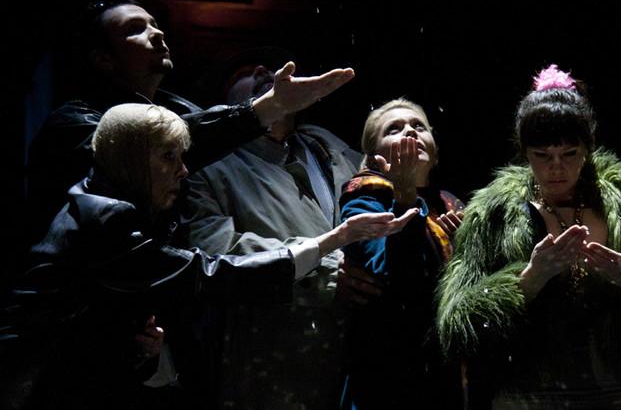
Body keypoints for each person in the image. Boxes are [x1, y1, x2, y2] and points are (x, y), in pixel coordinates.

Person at [1, 103, 417, 410]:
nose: (183, 171)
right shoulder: (105, 217)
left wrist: (138, 350)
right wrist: (329, 243)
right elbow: (209, 273)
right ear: (131, 159)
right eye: (168, 157)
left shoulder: (103, 202)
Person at [436, 65, 621, 409]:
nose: (556, 168)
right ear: (523, 152)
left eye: (569, 154)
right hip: (532, 393)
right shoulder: (494, 212)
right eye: (542, 156)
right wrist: (526, 282)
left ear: (588, 147)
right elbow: (455, 322)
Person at [25, 0, 355, 242]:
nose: (157, 33)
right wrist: (265, 108)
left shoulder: (185, 114)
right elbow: (140, 149)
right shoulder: (74, 122)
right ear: (103, 58)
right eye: (135, 29)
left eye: (154, 24)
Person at [181, 65, 384, 409]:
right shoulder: (211, 168)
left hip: (355, 356)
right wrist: (322, 271)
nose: (263, 70)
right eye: (243, 72)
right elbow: (214, 247)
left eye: (269, 65)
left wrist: (435, 202)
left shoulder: (324, 144)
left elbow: (380, 187)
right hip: (276, 362)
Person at [338, 98, 465, 409]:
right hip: (390, 379)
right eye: (393, 129)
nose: (409, 131)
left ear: (435, 151)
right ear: (375, 157)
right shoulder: (364, 199)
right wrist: (405, 197)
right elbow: (389, 276)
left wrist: (464, 243)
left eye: (418, 126)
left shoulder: (450, 205)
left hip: (446, 375)